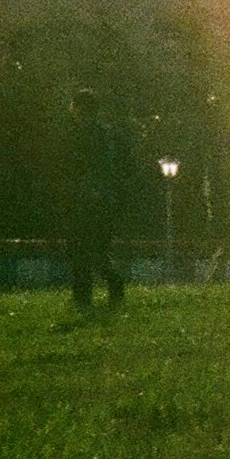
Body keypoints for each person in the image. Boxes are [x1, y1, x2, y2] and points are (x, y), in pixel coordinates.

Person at [65, 87, 127, 310]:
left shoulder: (88, 134)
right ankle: (106, 289)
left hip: (91, 198)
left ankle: (86, 295)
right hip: (101, 198)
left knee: (83, 249)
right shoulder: (104, 133)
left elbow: (87, 165)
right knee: (94, 250)